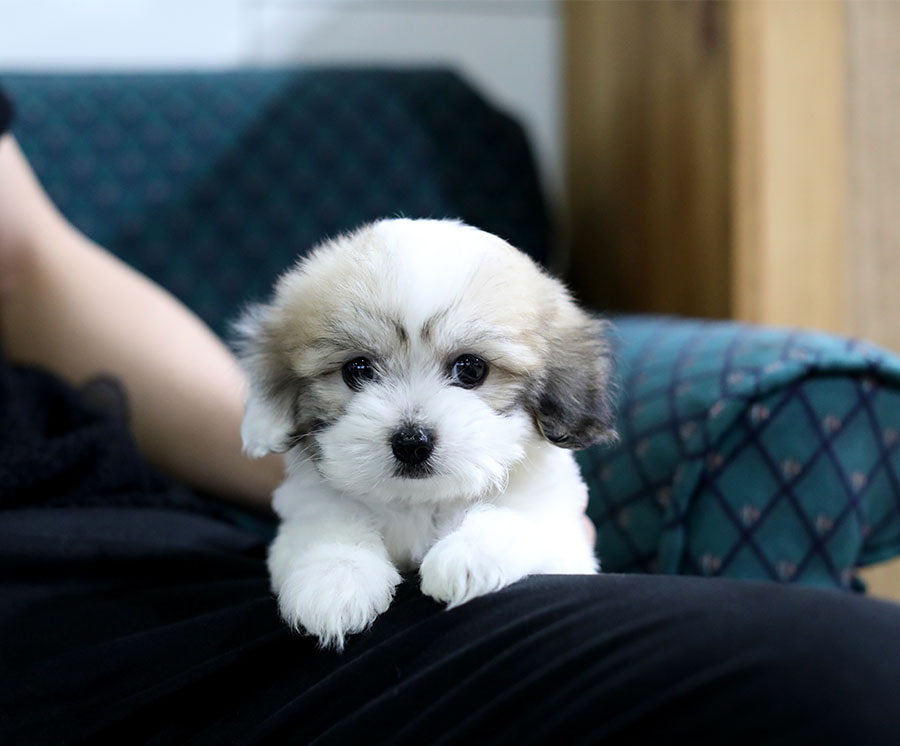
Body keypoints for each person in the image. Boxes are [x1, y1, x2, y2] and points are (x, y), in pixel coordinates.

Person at [2, 85, 899, 746]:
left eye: (469, 371)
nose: (415, 419)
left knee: (858, 669)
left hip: (148, 548)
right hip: (65, 647)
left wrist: (312, 470)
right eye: (360, 372)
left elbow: (22, 263)